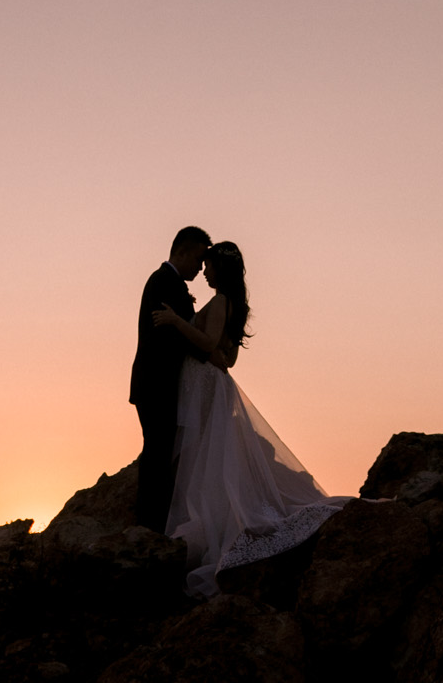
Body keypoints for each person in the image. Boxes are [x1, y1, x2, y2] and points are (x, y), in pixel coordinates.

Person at [149, 240, 355, 598]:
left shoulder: (222, 302)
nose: (205, 271)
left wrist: (176, 321)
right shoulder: (227, 304)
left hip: (205, 385)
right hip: (210, 382)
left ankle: (213, 526)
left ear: (220, 269)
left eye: (209, 265)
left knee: (203, 454)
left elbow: (210, 345)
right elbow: (227, 359)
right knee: (207, 456)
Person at [129, 226, 212, 534]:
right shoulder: (164, 281)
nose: (201, 268)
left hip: (158, 383)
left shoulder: (169, 282)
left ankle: (152, 523)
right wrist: (205, 346)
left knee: (160, 452)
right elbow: (167, 336)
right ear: (184, 252)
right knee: (157, 454)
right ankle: (148, 526)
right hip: (157, 384)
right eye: (199, 259)